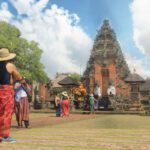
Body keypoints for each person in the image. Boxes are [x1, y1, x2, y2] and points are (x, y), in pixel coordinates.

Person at [0, 48, 25, 143]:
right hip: (5, 92)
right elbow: (18, 77)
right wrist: (21, 79)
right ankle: (5, 136)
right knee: (6, 113)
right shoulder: (10, 65)